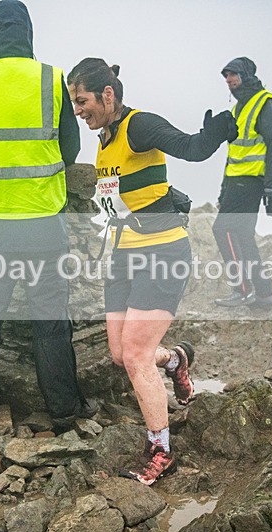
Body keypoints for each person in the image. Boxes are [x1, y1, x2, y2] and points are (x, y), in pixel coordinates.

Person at [67, 58, 236, 485]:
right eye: (73, 103)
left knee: (137, 355)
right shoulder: (104, 139)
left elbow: (192, 148)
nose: (78, 110)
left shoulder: (138, 126)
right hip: (124, 254)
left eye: (82, 100)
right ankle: (176, 359)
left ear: (107, 94)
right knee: (121, 353)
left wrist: (215, 134)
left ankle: (161, 452)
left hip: (162, 252)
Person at [0, 0, 93, 430]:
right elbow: (71, 149)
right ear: (27, 33)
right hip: (43, 222)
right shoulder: (50, 78)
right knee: (50, 323)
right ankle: (64, 412)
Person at [212, 57, 272, 310]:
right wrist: (224, 190)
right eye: (226, 76)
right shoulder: (238, 109)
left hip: (251, 181)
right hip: (235, 182)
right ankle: (264, 296)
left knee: (222, 229)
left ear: (246, 75)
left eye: (233, 74)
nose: (229, 80)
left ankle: (241, 290)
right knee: (244, 237)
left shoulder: (266, 103)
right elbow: (234, 154)